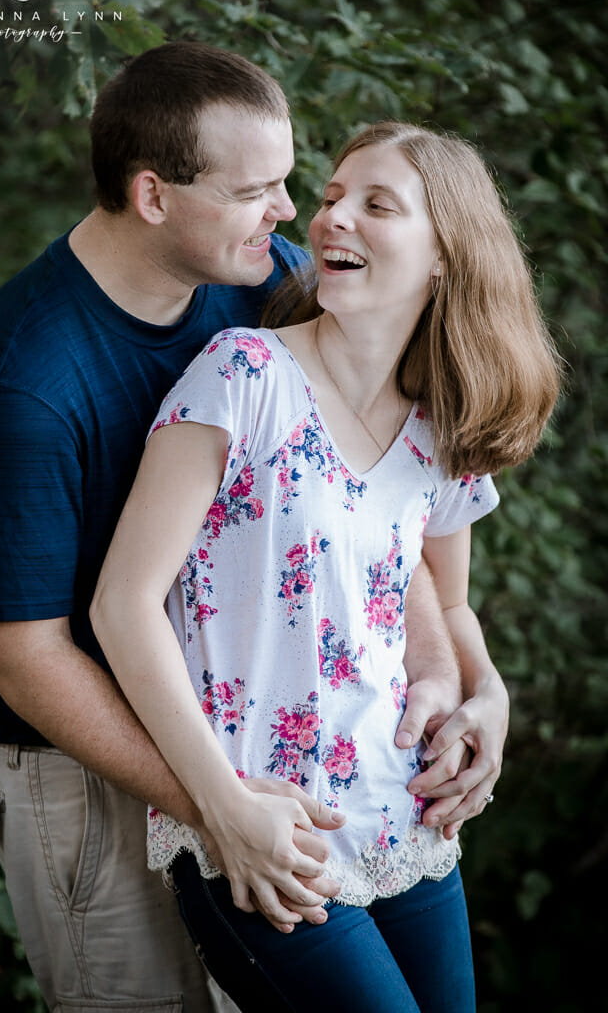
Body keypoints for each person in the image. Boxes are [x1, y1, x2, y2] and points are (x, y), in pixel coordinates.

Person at [0, 42, 508, 1013]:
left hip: (263, 755)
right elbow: (28, 659)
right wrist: (212, 803)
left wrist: (463, 679)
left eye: (288, 182)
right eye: (255, 191)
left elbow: (363, 511)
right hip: (89, 763)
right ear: (154, 196)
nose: (292, 213)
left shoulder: (267, 276)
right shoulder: (21, 381)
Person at [90, 119, 562, 1012]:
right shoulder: (244, 377)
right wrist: (219, 805)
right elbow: (124, 603)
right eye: (335, 196)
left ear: (444, 257)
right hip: (265, 828)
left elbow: (448, 608)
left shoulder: (442, 426)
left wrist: (489, 694)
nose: (332, 217)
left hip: (408, 820)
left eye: (378, 205)